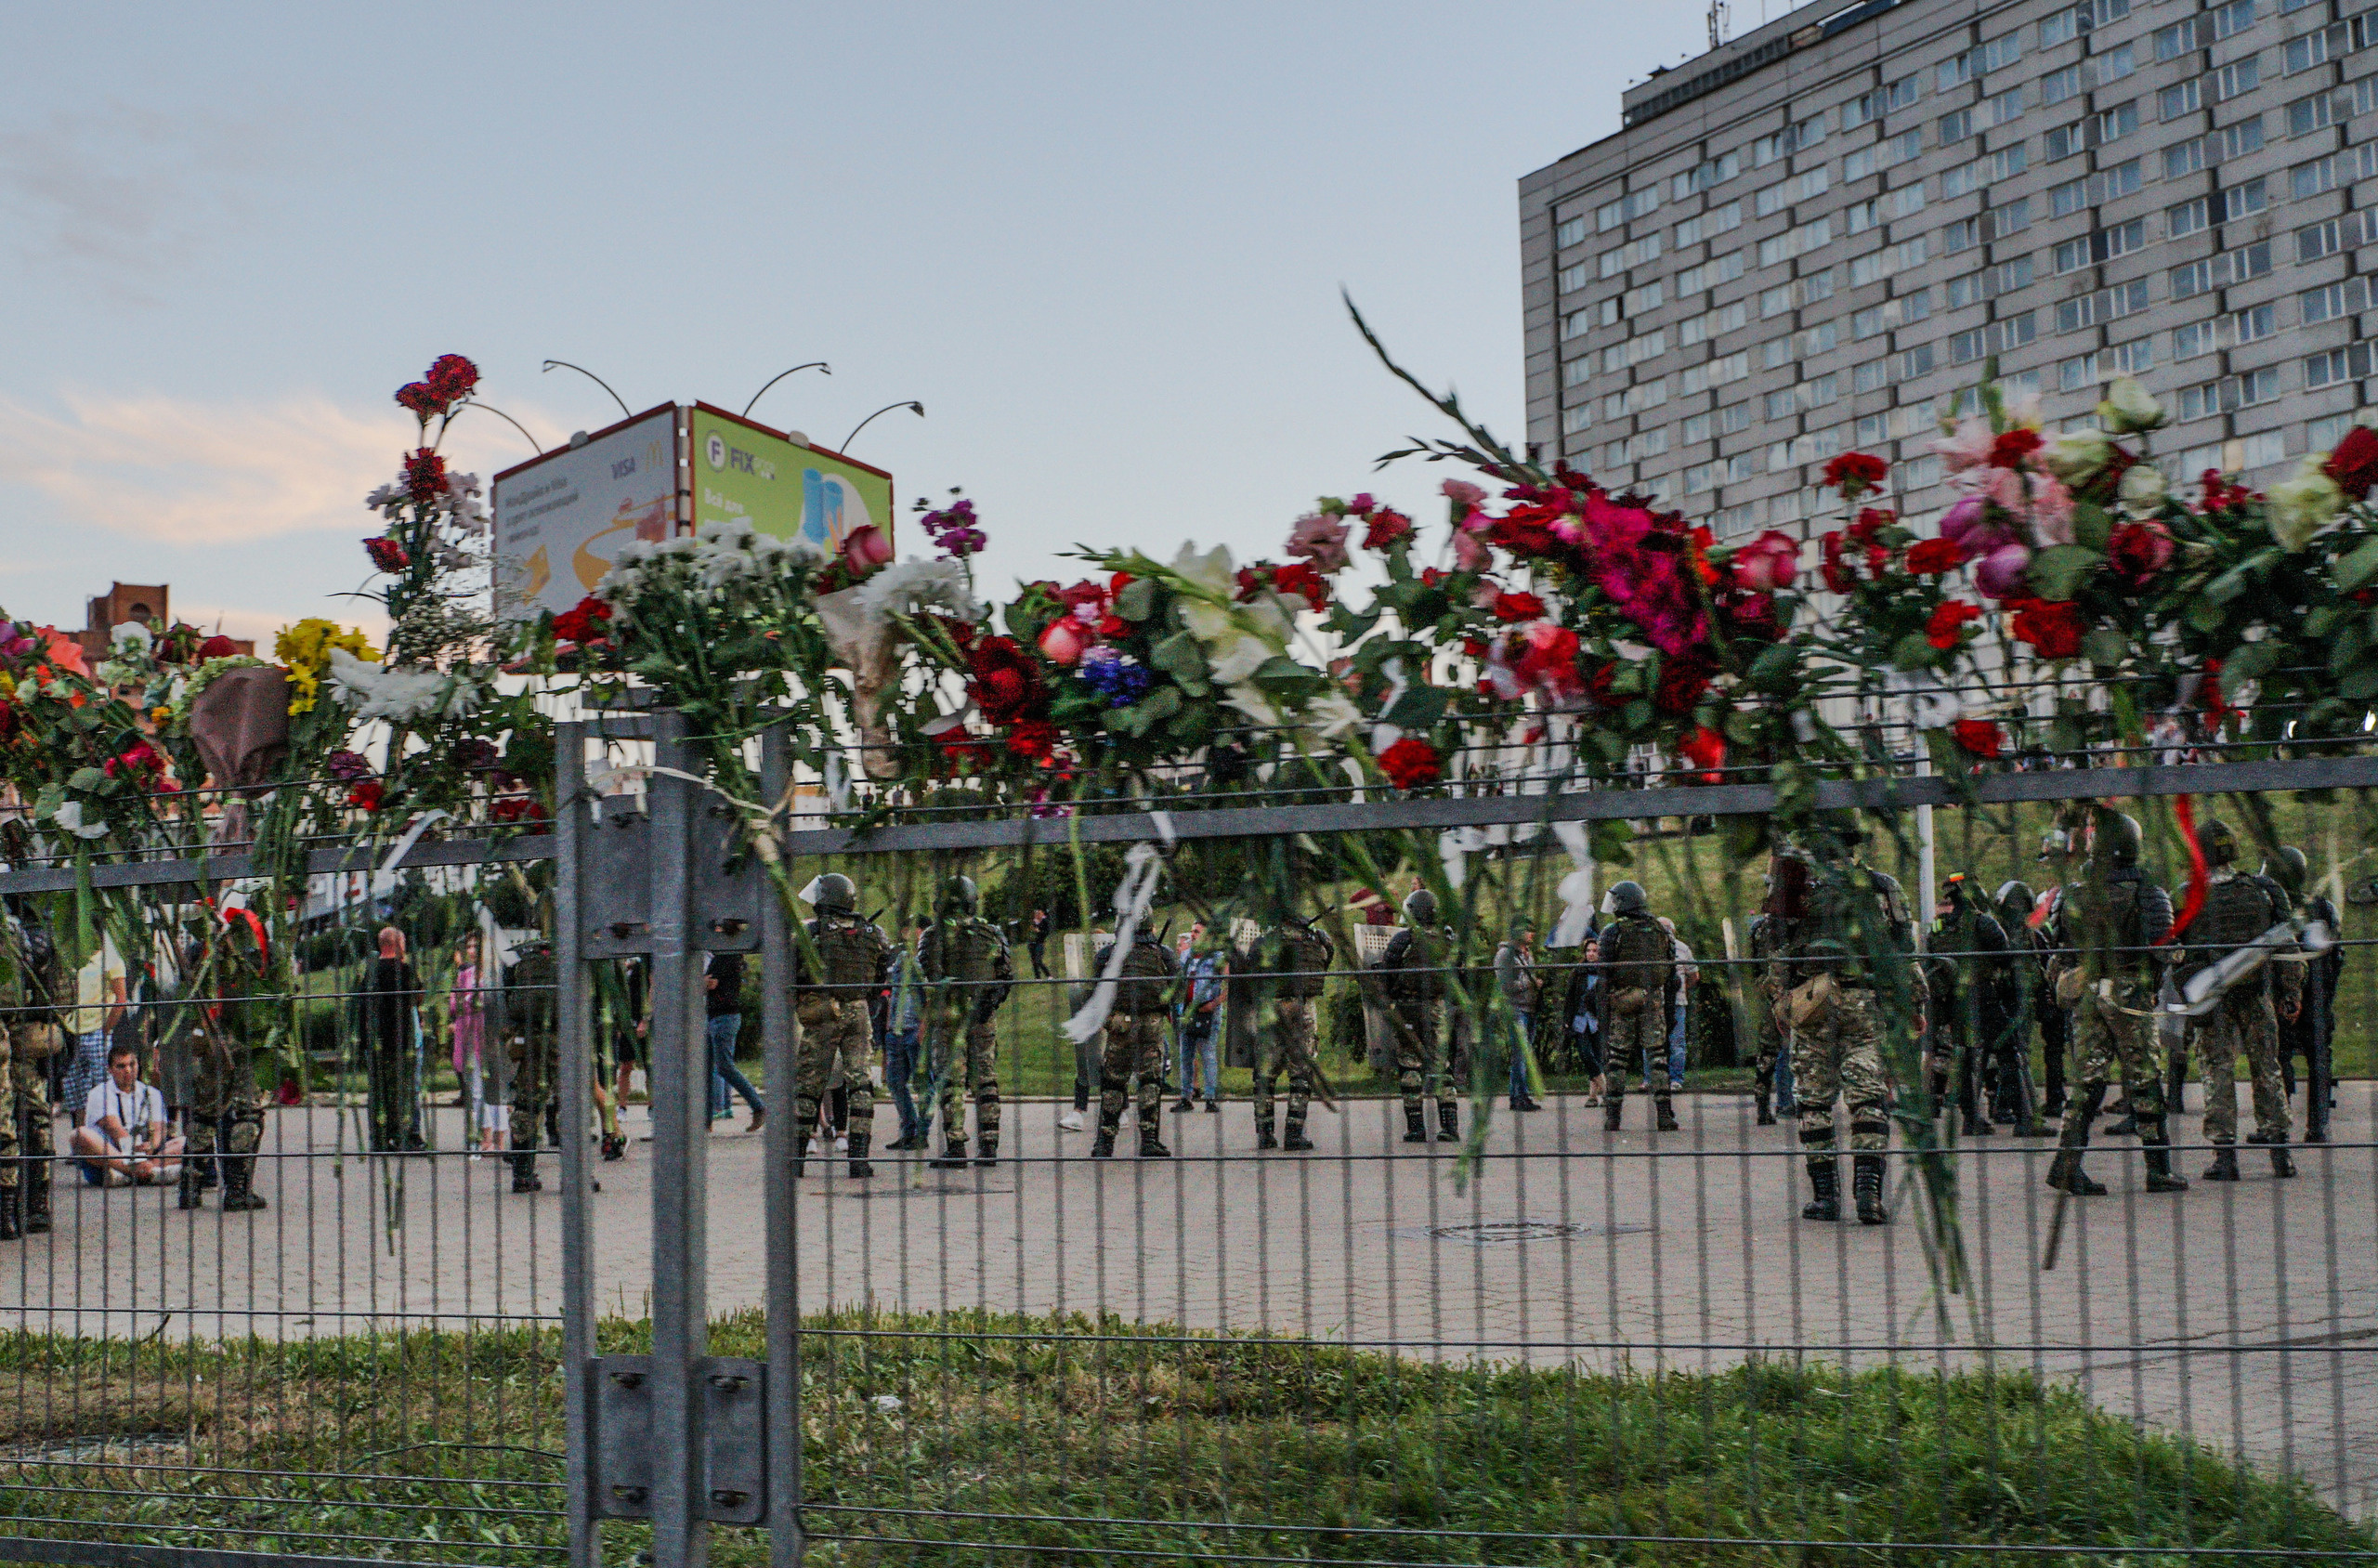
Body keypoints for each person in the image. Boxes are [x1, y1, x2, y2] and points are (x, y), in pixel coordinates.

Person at [2045, 808, 2188, 1196]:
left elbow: (2059, 951)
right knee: (2144, 1078)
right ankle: (2158, 1169)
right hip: (2130, 992)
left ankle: (2066, 1164)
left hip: (2087, 993)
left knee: (2087, 1082)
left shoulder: (2071, 893)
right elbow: (2164, 950)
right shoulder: (2146, 891)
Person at [1776, 822, 1913, 1224]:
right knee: (1868, 1097)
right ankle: (1868, 1194)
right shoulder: (1882, 886)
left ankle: (1826, 1198)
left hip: (1811, 1003)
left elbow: (1773, 947)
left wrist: (1779, 1003)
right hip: (1864, 1001)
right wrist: (1912, 1003)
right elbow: (1902, 950)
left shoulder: (1796, 888)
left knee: (1814, 1101)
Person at [2183, 818, 2299, 1182]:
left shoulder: (2189, 894)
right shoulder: (2263, 889)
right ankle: (2280, 1153)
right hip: (2256, 993)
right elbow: (2287, 945)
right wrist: (2292, 991)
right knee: (2267, 1069)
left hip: (2214, 998)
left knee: (2217, 1072)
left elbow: (2176, 953)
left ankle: (2225, 1157)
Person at [1927, 872, 2037, 1137]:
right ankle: (2023, 1119)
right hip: (1983, 997)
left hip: (1953, 1001)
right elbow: (2005, 959)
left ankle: (1970, 1120)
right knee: (2008, 1053)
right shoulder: (1983, 923)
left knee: (1964, 1059)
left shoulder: (1938, 928)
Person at [794, 873, 889, 1178]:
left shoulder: (811, 933)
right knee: (860, 1082)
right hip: (859, 1010)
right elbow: (880, 979)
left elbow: (795, 974)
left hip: (823, 1009)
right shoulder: (874, 933)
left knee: (810, 1083)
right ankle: (858, 1159)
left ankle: (797, 1159)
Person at [177, 907, 270, 1212]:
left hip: (208, 1036)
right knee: (247, 1112)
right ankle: (238, 1189)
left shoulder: (201, 950)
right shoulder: (255, 946)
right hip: (244, 1038)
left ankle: (189, 1187)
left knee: (205, 1112)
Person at [920, 874, 1010, 1169]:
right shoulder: (991, 933)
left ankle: (956, 1147)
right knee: (986, 1079)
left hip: (950, 1016)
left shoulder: (933, 936)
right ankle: (989, 1147)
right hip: (983, 1016)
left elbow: (930, 976)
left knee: (951, 1080)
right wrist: (988, 1003)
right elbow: (1005, 976)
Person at [2266, 845, 2342, 1143]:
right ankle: (2318, 1126)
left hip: (2282, 996)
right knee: (2319, 1059)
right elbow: (2337, 957)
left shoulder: (2273, 911)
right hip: (2317, 997)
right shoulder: (2323, 908)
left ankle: (2280, 1125)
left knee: (2279, 1057)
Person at [1376, 888, 1459, 1144]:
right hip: (1439, 1008)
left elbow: (1389, 972)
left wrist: (1390, 998)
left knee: (1410, 1066)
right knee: (1442, 1066)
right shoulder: (1448, 939)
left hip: (1408, 1008)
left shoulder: (1404, 939)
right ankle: (1450, 1127)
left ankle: (1416, 1128)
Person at [1093, 921, 1177, 1158]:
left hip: (1120, 1023)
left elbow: (1096, 989)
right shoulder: (1163, 953)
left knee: (1113, 1082)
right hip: (1151, 1023)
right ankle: (1149, 1140)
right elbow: (1177, 987)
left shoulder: (1108, 954)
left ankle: (1105, 1142)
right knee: (1150, 1081)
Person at [1598, 882, 1677, 1133]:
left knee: (1617, 1059)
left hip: (1622, 1001)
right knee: (1658, 1058)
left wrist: (1604, 1010)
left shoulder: (1612, 932)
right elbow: (1672, 974)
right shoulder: (1661, 931)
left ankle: (1613, 1117)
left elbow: (1604, 973)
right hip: (1654, 1000)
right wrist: (1670, 1011)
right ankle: (1664, 1115)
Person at [1252, 913, 1332, 1150]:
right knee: (1300, 1073)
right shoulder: (1318, 939)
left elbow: (1250, 968)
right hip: (1302, 1007)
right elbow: (1326, 961)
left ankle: (1265, 1134)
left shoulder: (1265, 940)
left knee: (1265, 1074)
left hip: (1271, 1010)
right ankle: (1294, 1134)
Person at [71, 1041, 182, 1186]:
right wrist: (135, 1154)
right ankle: (142, 1172)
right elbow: (114, 1129)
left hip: (146, 1154)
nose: (128, 1070)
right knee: (79, 1135)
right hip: (112, 1156)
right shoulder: (98, 1093)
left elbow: (159, 1130)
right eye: (121, 1066)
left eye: (132, 1065)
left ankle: (137, 1172)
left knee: (184, 1142)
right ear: (110, 1069)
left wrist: (151, 1147)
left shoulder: (153, 1093)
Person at [501, 939, 557, 1194]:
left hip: (529, 1041)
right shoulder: (563, 955)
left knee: (526, 1104)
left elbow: (509, 1001)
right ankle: (577, 1174)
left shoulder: (519, 962)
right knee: (570, 1106)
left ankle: (522, 1172)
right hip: (560, 1040)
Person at [59, 930, 125, 1143]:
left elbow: (121, 999)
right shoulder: (74, 957)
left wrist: (105, 1030)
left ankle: (107, 1141)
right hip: (72, 1030)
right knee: (74, 1088)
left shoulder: (111, 958)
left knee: (101, 1089)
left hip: (97, 1031)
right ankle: (81, 1142)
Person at [362, 927, 424, 1154]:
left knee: (378, 1091)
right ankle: (403, 1136)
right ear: (396, 944)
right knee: (402, 1091)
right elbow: (418, 996)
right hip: (400, 1039)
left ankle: (378, 1139)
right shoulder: (404, 970)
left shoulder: (369, 972)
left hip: (375, 1041)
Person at [705, 951, 764, 1133]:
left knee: (724, 1067)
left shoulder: (724, 957)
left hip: (723, 1017)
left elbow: (710, 983)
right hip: (719, 1016)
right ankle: (705, 1120)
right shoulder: (729, 957)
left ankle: (758, 1106)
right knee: (707, 1067)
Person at [882, 921, 928, 1150]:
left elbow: (930, 996)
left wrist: (923, 1027)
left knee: (923, 1085)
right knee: (895, 1082)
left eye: (913, 929)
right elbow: (894, 991)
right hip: (896, 1032)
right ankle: (908, 1129)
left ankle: (922, 1134)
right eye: (905, 929)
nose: (908, 933)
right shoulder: (900, 959)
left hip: (915, 1030)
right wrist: (889, 1026)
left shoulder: (927, 959)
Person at [1170, 925, 1224, 1114]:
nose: (1192, 935)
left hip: (1208, 1011)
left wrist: (1215, 1003)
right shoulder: (1186, 956)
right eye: (1192, 931)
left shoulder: (1217, 957)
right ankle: (1186, 1097)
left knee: (1208, 1055)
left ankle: (1210, 1098)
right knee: (1186, 1056)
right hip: (1187, 1011)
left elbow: (1232, 980)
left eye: (1197, 932)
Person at [1746, 905, 1792, 1126]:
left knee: (1767, 1054)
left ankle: (1763, 1105)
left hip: (1767, 994)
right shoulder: (1787, 927)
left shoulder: (1760, 928)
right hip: (1792, 994)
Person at [451, 934, 492, 1156]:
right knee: (475, 1091)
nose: (472, 950)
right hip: (467, 1036)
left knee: (491, 1091)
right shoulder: (464, 975)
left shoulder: (494, 974)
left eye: (477, 946)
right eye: (469, 946)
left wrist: (469, 1001)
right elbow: (453, 1003)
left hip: (488, 1037)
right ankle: (482, 1136)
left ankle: (493, 1137)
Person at [1494, 923, 1542, 1112]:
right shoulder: (1505, 954)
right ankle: (1520, 1096)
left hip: (1530, 1007)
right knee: (1520, 1055)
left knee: (1524, 1055)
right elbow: (1504, 984)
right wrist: (1529, 984)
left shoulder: (1527, 954)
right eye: (1528, 930)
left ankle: (1519, 1096)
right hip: (1515, 1008)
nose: (1532, 934)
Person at [1657, 915, 1694, 1095]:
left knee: (1677, 1042)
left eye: (1666, 929)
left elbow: (1693, 974)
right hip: (1655, 1002)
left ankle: (1676, 1079)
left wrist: (1682, 987)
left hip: (1678, 1002)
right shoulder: (1650, 948)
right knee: (1652, 1042)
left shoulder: (1682, 948)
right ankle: (1651, 1079)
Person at [1027, 908, 1052, 980]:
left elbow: (1046, 932)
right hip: (1032, 943)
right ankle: (1037, 977)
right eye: (1036, 914)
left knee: (1038, 960)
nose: (1037, 915)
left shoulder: (1045, 922)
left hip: (1040, 943)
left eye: (1039, 913)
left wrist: (1038, 931)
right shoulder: (1033, 922)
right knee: (1034, 961)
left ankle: (1048, 975)